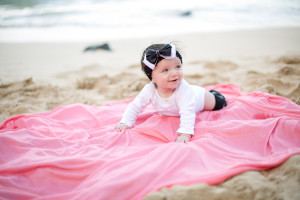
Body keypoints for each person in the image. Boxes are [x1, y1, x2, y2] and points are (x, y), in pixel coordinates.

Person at [116, 43, 227, 143]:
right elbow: (135, 106)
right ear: (152, 77)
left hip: (201, 98)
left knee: (219, 102)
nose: (174, 73)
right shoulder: (149, 90)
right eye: (165, 70)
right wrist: (126, 122)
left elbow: (188, 112)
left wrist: (185, 132)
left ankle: (215, 94)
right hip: (190, 94)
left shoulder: (184, 90)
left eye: (178, 67)